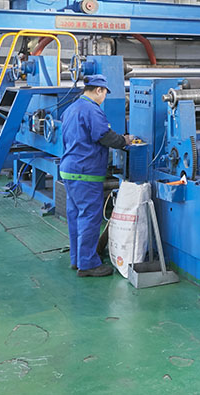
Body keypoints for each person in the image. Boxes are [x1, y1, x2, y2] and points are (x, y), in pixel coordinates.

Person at [60, 74, 132, 277]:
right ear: (99, 90)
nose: (104, 97)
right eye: (105, 93)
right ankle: (88, 264)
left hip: (70, 169)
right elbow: (104, 136)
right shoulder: (91, 110)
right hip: (85, 173)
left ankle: (77, 259)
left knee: (76, 216)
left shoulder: (71, 108)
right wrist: (125, 141)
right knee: (90, 218)